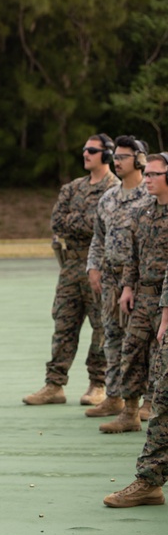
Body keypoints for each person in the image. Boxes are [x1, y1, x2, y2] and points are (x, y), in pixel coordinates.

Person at [23, 134, 119, 406]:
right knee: (63, 324)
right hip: (70, 266)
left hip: (99, 267)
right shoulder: (72, 188)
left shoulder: (114, 189)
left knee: (102, 327)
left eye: (92, 150)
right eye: (84, 149)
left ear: (107, 155)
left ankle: (98, 384)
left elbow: (102, 226)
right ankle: (54, 384)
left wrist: (78, 221)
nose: (85, 154)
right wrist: (85, 221)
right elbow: (57, 222)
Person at [100, 152, 168, 433]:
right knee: (131, 351)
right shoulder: (143, 211)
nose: (148, 179)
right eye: (147, 174)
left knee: (160, 358)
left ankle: (153, 408)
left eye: (154, 174)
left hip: (165, 299)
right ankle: (130, 412)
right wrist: (128, 288)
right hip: (143, 296)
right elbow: (133, 256)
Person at [85, 136, 150, 419]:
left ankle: (148, 400)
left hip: (140, 280)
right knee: (111, 338)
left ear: (139, 161)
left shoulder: (150, 195)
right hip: (111, 280)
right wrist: (93, 267)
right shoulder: (108, 198)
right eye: (117, 156)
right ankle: (114, 396)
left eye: (124, 157)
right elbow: (98, 238)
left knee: (143, 342)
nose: (117, 161)